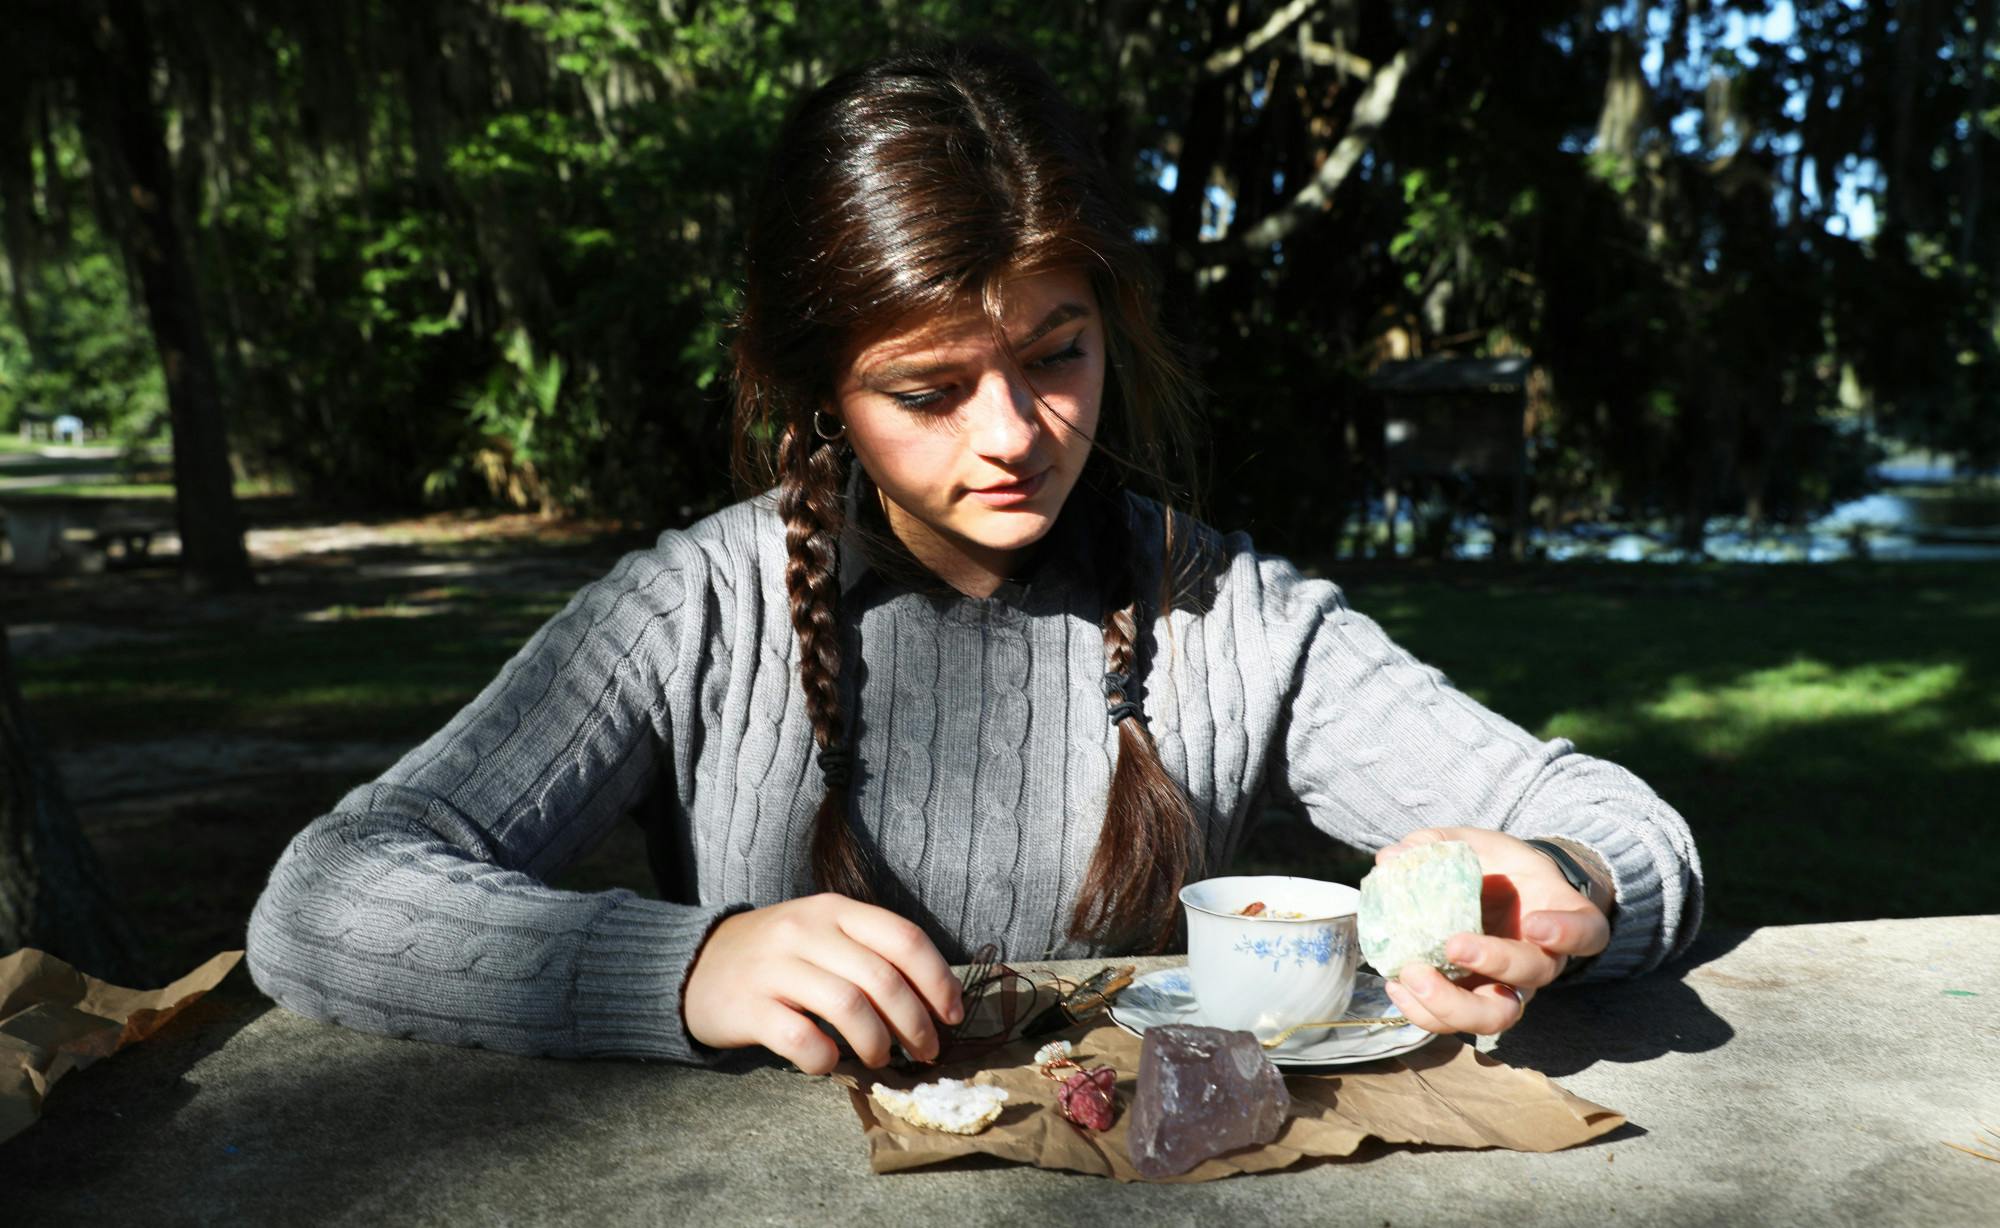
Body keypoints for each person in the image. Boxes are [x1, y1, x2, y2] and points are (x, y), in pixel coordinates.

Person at [244, 38, 1702, 1076]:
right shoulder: (693, 611)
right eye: (929, 389)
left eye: (1057, 356)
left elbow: (1619, 826)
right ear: (823, 392)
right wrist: (681, 968)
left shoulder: (1229, 614)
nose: (1014, 435)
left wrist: (1558, 885)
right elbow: (326, 896)